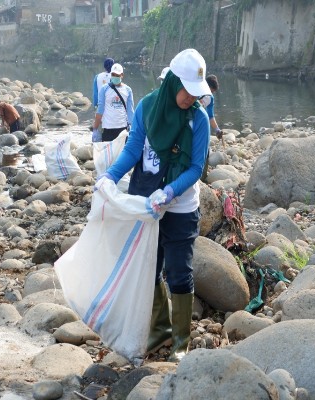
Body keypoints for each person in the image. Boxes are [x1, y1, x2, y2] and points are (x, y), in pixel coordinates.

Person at [100, 49, 211, 361]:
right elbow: (134, 147)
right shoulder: (148, 107)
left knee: (179, 272)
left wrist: (170, 192)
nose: (191, 97)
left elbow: (195, 168)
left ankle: (181, 343)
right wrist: (110, 176)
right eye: (187, 90)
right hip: (148, 205)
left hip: (180, 209)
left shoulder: (198, 119)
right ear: (173, 82)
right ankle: (160, 330)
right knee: (149, 270)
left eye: (195, 92)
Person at [92, 63, 134, 142]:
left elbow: (130, 111)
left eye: (117, 75)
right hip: (108, 128)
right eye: (113, 74)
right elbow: (100, 109)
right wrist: (95, 128)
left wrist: (132, 126)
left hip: (122, 128)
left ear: (122, 75)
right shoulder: (104, 89)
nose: (115, 77)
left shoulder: (128, 90)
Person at [200, 75, 223, 139]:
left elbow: (210, 116)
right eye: (210, 91)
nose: (210, 93)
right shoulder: (195, 91)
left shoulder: (210, 98)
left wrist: (217, 130)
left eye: (212, 92)